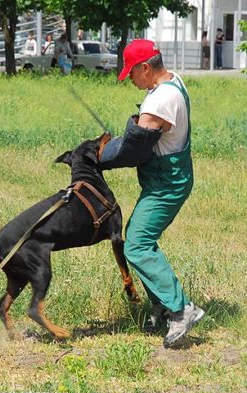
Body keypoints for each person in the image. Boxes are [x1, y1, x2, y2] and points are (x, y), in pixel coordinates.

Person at [99, 39, 205, 347]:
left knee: (137, 245)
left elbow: (131, 152)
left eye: (131, 73)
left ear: (146, 68)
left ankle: (181, 309)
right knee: (137, 239)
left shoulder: (160, 101)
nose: (130, 79)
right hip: (170, 178)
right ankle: (160, 304)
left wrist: (98, 157)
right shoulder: (172, 82)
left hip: (166, 184)